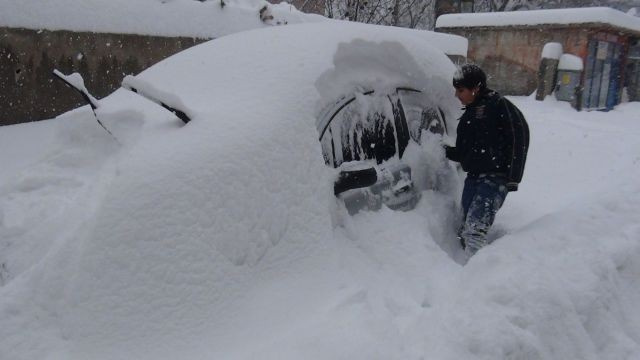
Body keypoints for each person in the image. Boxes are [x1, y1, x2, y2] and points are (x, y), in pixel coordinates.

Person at [444, 64, 529, 261]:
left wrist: (513, 178)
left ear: (476, 87)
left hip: (495, 178)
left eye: (461, 90)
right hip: (473, 177)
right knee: (465, 225)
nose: (457, 95)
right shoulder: (469, 114)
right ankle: (464, 264)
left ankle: (476, 278)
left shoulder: (499, 106)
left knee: (475, 228)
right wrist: (444, 151)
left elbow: (519, 138)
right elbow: (465, 151)